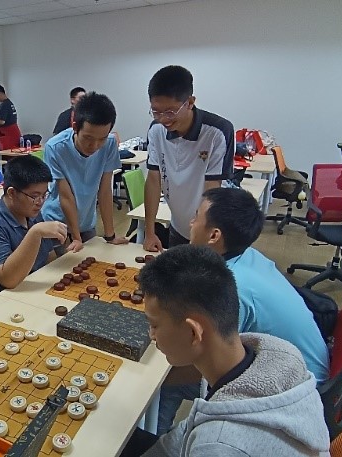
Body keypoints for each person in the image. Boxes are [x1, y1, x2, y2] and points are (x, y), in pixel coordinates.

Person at [124, 245, 330, 457]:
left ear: (193, 332)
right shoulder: (273, 354)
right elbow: (181, 437)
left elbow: (211, 442)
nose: (151, 335)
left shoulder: (218, 445)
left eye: (154, 325)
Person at [156, 187, 330, 435]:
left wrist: (150, 382)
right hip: (306, 365)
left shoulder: (232, 287)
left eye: (197, 217)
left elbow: (209, 362)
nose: (191, 222)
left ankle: (157, 442)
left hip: (297, 387)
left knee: (165, 387)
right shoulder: (249, 255)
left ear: (214, 235)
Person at [143, 65, 234, 251]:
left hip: (209, 231)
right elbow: (153, 180)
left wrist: (201, 236)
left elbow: (212, 190)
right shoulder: (156, 130)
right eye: (156, 111)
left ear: (190, 102)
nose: (163, 119)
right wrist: (150, 232)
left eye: (170, 112)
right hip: (178, 225)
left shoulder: (218, 132)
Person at [0, 155, 67, 312]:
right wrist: (35, 233)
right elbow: (9, 279)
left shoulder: (31, 212)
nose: (41, 202)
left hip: (31, 287)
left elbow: (48, 257)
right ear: (12, 193)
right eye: (34, 196)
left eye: (44, 195)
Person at [41, 91, 128, 253]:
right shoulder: (55, 147)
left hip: (87, 222)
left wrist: (110, 236)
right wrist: (76, 237)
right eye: (88, 138)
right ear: (75, 127)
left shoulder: (109, 144)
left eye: (101, 138)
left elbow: (105, 191)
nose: (94, 146)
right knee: (63, 272)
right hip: (57, 223)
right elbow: (66, 196)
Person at [0, 85, 21, 151]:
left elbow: (2, 121)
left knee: (8, 155)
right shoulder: (9, 102)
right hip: (15, 131)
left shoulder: (4, 104)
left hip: (8, 134)